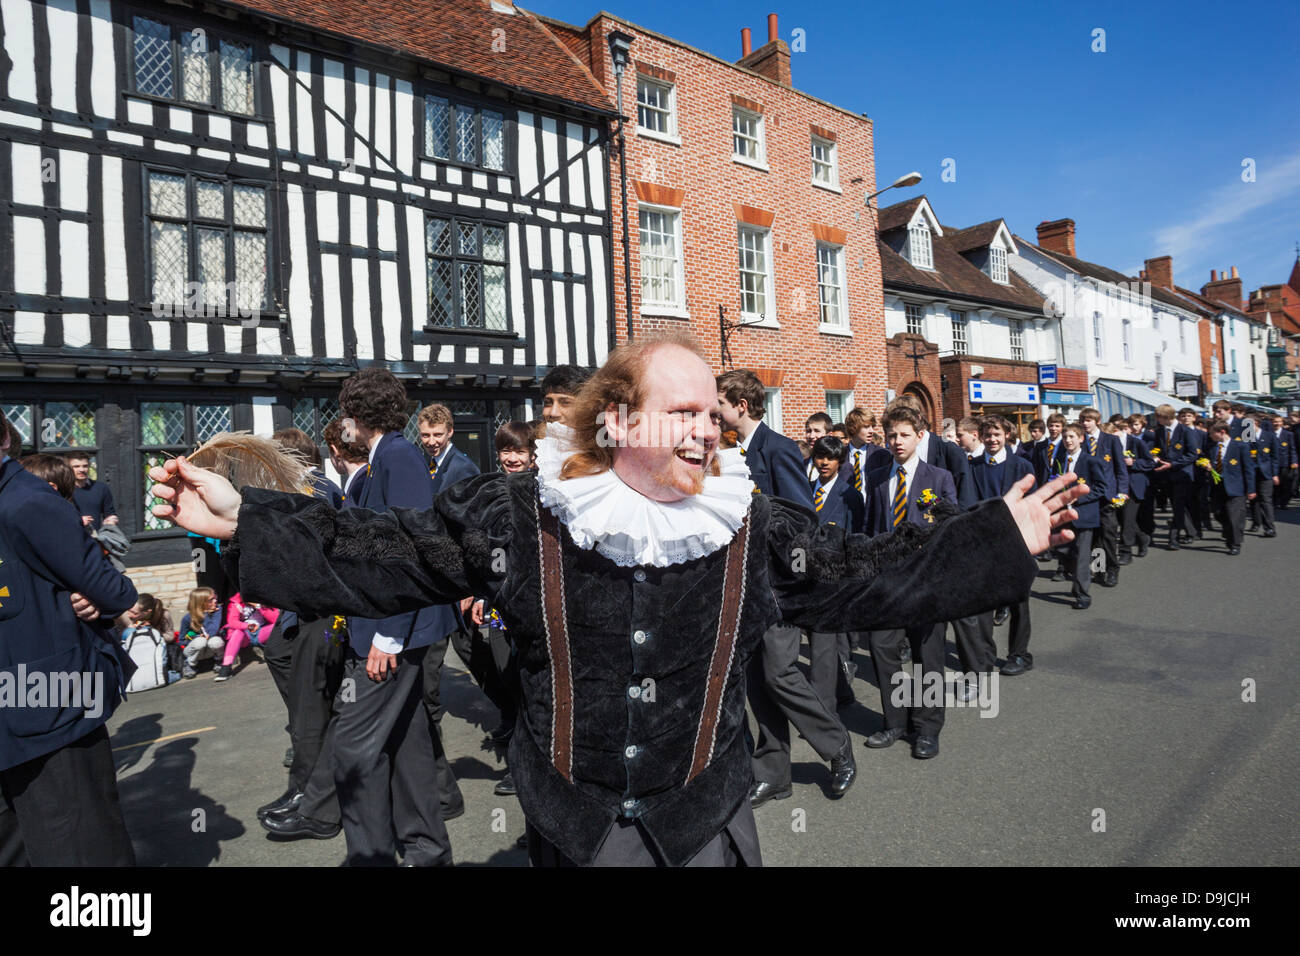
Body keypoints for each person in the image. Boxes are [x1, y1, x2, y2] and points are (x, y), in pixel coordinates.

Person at [148, 334, 1084, 867]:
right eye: (686, 411)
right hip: (575, 822)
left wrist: (996, 541)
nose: (710, 429)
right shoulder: (524, 513)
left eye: (715, 413)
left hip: (704, 822)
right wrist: (251, 520)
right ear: (619, 422)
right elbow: (385, 552)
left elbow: (868, 572)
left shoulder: (746, 522)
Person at [0, 409, 138, 865]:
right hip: (43, 704)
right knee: (73, 839)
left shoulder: (23, 499)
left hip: (39, 702)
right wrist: (95, 595)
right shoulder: (28, 500)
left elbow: (101, 590)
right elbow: (111, 589)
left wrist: (83, 597)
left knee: (63, 838)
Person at [715, 369, 856, 806]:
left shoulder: (776, 450)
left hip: (779, 586)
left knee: (780, 673)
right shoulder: (728, 451)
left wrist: (790, 580)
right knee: (757, 680)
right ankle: (773, 772)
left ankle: (837, 748)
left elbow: (801, 522)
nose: (712, 411)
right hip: (744, 587)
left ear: (740, 405)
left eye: (718, 403)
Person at [862, 404, 958, 758]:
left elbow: (951, 528)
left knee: (927, 654)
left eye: (904, 435)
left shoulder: (938, 478)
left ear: (920, 436)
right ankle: (895, 722)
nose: (897, 441)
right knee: (882, 649)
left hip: (926, 582)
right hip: (888, 583)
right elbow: (871, 530)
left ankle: (927, 727)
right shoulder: (877, 480)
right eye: (891, 435)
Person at [967, 416, 1036, 678]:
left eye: (997, 434)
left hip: (1016, 541)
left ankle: (1020, 654)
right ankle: (984, 656)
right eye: (987, 435)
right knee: (984, 604)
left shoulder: (1022, 465)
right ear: (981, 437)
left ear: (1007, 435)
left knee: (1018, 602)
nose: (992, 440)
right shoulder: (973, 466)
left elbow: (1032, 504)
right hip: (984, 542)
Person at [806, 435, 865, 713]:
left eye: (830, 458)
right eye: (820, 457)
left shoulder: (849, 495)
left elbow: (855, 538)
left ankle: (825, 707)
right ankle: (842, 693)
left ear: (840, 461)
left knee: (830, 646)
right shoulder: (805, 490)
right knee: (826, 645)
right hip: (808, 578)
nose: (824, 462)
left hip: (837, 579)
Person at [1051, 424, 1109, 610]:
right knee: (1066, 551)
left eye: (1072, 437)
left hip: (1084, 514)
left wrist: (1078, 498)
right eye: (1065, 437)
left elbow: (1101, 487)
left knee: (1083, 555)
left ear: (1081, 439)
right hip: (1064, 514)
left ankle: (1083, 594)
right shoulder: (1060, 459)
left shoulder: (1091, 461)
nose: (1068, 441)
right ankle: (1077, 583)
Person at [1079, 408, 1128, 587]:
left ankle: (1113, 569)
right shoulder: (1080, 441)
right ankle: (1099, 569)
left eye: (1089, 420)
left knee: (1108, 534)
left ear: (1097, 421)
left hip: (1107, 495)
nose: (1086, 423)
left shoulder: (1111, 440)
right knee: (1093, 536)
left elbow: (1120, 469)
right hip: (1088, 496)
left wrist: (1122, 491)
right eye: (1083, 420)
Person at [1203, 421, 1254, 555]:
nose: (1210, 436)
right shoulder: (1212, 448)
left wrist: (1251, 489)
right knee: (1218, 513)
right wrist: (1208, 467)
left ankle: (1235, 543)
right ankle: (1229, 530)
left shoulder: (1240, 446)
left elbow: (1248, 469)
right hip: (1217, 487)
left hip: (1235, 487)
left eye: (1212, 433)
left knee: (1234, 516)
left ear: (1222, 432)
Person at [214, 592, 279, 682]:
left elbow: (275, 619)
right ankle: (226, 667)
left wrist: (258, 606)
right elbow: (232, 622)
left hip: (261, 632)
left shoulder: (263, 599)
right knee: (237, 631)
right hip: (245, 635)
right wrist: (247, 626)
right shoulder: (236, 602)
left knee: (279, 626)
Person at [1115, 416, 1155, 561]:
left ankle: (1126, 552)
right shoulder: (1110, 443)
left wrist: (1134, 462)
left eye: (1117, 431)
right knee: (1122, 518)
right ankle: (1143, 538)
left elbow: (1150, 462)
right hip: (1118, 486)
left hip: (1134, 486)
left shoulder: (1137, 442)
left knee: (1127, 518)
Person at [178, 587, 225, 678]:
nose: (215, 601)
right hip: (194, 651)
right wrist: (195, 637)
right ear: (201, 603)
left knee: (216, 641)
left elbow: (213, 630)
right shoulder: (188, 618)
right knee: (200, 641)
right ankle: (190, 665)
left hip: (210, 649)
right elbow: (182, 639)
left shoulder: (217, 611)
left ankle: (219, 660)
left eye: (215, 597)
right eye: (211, 600)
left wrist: (208, 614)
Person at [64, 452, 118, 531]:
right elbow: (57, 518)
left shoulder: (101, 488)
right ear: (68, 468)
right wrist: (78, 521)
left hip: (95, 538)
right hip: (70, 537)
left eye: (85, 466)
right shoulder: (63, 489)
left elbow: (110, 513)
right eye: (76, 466)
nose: (82, 470)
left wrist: (112, 520)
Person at [1246, 416, 1278, 537]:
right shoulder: (1245, 438)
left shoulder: (1269, 436)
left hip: (1265, 472)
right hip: (1251, 472)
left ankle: (1269, 527)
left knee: (1266, 500)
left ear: (1256, 423)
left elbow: (1275, 457)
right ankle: (1256, 522)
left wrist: (1274, 473)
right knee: (1253, 499)